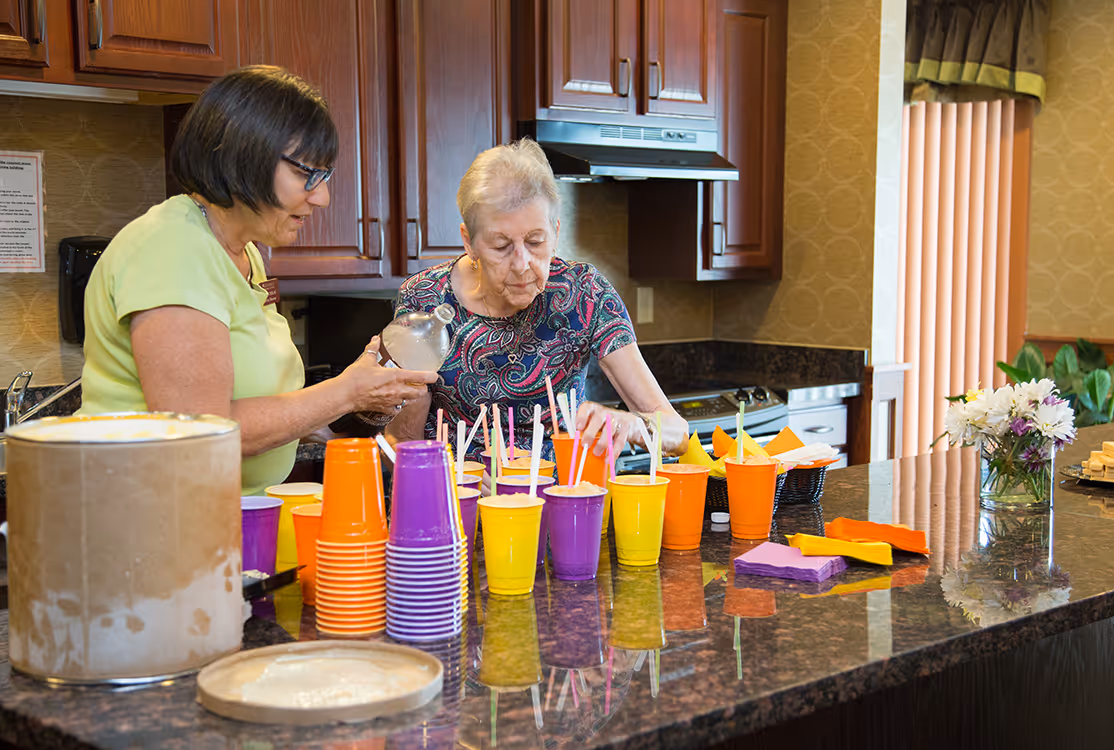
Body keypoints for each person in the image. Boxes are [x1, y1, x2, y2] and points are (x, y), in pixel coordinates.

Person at [79, 65, 436, 495]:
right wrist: (346, 392)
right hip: (142, 518)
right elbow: (201, 434)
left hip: (221, 514)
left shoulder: (243, 252)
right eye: (308, 174)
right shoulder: (172, 249)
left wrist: (349, 410)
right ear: (244, 156)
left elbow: (262, 402)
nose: (321, 196)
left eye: (325, 176)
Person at [385, 138, 687, 461]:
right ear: (468, 242)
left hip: (562, 505)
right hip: (456, 504)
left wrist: (635, 424)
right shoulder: (424, 300)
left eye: (536, 241)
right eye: (501, 245)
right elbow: (402, 443)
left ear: (555, 233)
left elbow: (677, 432)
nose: (521, 263)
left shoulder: (584, 293)